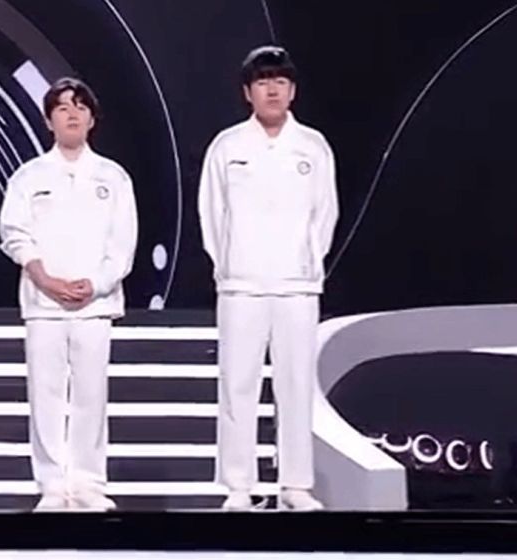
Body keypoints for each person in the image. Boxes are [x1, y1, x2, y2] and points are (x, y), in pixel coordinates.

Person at [198, 45, 339, 511]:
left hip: (297, 285)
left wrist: (306, 262)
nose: (272, 90)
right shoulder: (228, 147)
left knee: (295, 385)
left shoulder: (312, 146)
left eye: (280, 81)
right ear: (248, 92)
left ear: (292, 90)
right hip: (241, 284)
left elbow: (325, 213)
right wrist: (229, 265)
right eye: (263, 82)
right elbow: (212, 214)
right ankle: (239, 486)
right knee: (237, 383)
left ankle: (295, 484)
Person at [0, 77, 138, 511]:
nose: (72, 114)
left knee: (91, 395)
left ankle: (89, 483)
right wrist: (43, 277)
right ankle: (52, 485)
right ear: (48, 120)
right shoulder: (29, 176)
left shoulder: (113, 177)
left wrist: (95, 284)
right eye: (62, 107)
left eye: (80, 106)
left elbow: (122, 244)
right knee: (46, 395)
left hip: (95, 305)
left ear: (92, 118)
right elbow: (13, 232)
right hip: (43, 304)